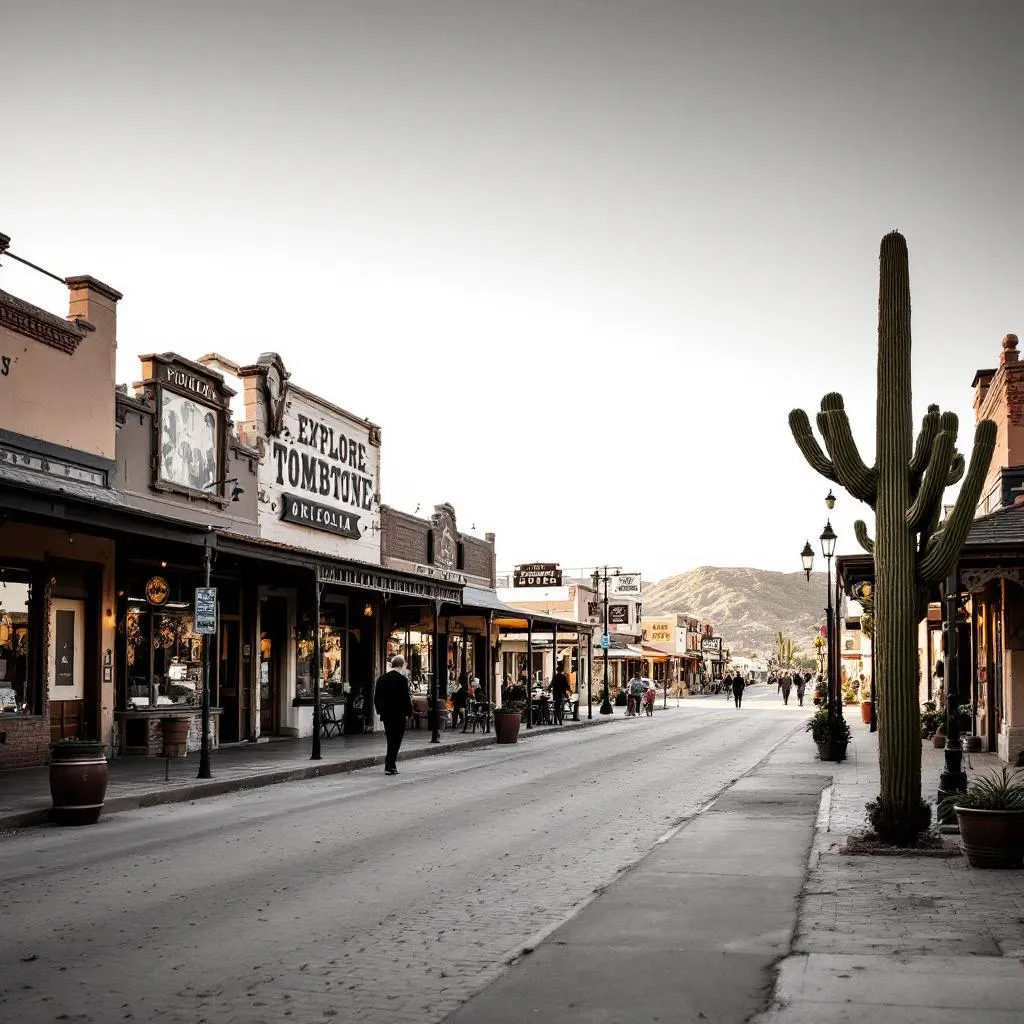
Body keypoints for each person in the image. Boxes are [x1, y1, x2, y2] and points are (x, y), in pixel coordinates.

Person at [373, 654, 414, 775]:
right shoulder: (402, 680)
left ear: (392, 665)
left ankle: (390, 763)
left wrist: (380, 710)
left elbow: (377, 697)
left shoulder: (382, 678)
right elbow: (405, 698)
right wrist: (409, 712)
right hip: (399, 714)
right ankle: (390, 763)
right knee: (397, 739)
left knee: (390, 738)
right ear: (402, 665)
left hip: (387, 714)